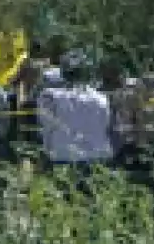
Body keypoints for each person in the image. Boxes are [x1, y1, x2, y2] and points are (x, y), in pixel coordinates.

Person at [37, 49, 113, 190]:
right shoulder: (102, 98)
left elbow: (46, 128)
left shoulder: (50, 97)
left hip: (63, 157)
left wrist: (46, 154)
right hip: (97, 158)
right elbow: (105, 126)